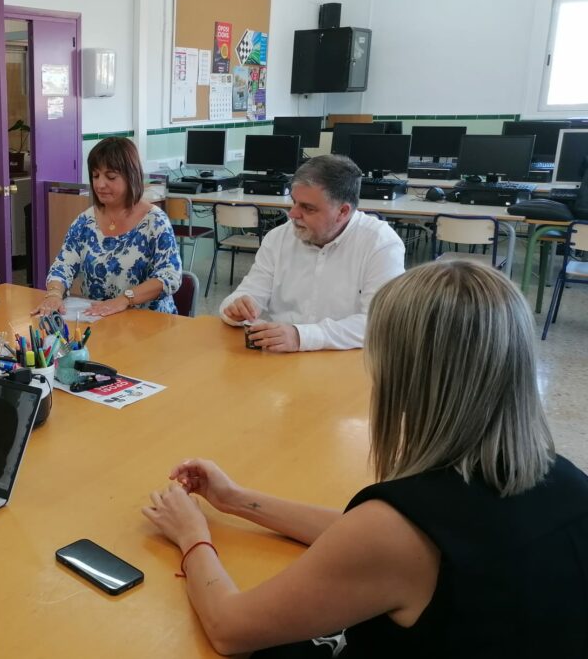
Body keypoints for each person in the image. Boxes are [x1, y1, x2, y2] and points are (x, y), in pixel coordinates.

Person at [144, 261, 588, 658]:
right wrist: (238, 500)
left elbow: (230, 628)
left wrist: (192, 535)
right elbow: (365, 540)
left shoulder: (397, 531)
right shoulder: (568, 480)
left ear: (405, 378)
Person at [218, 155, 404, 352]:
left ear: (342, 212)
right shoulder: (278, 238)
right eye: (294, 202)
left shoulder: (380, 244)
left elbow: (378, 323)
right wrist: (236, 308)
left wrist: (301, 336)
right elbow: (247, 294)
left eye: (308, 208)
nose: (293, 214)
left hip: (345, 364)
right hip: (279, 361)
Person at [33, 137, 182, 317]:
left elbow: (170, 276)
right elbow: (63, 265)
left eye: (110, 177)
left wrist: (125, 300)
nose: (100, 184)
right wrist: (54, 294)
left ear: (130, 176)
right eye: (95, 176)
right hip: (100, 321)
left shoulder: (155, 221)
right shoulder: (85, 222)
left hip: (149, 324)